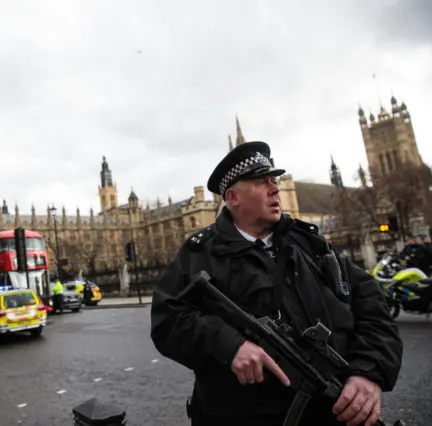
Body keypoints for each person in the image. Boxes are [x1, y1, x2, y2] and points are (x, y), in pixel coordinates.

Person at [150, 141, 403, 426]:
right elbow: (167, 320)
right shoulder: (199, 253)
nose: (275, 188)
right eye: (262, 182)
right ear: (233, 197)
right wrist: (229, 345)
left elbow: (371, 305)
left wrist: (368, 371)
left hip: (332, 410)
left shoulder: (311, 244)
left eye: (274, 180)